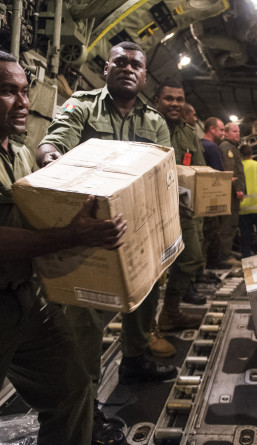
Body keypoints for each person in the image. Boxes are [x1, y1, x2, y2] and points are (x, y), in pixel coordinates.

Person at [36, 41, 178, 443]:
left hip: (138, 226)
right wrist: (52, 163)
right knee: (85, 319)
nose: (128, 68)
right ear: (107, 66)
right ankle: (88, 406)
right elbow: (52, 142)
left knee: (145, 296)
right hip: (90, 229)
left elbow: (162, 169)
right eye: (121, 62)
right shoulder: (82, 106)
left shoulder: (154, 121)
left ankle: (134, 360)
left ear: (144, 75)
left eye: (136, 64)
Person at [0, 50, 127, 445]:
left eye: (25, 90)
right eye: (8, 91)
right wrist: (75, 236)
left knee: (72, 391)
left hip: (27, 300)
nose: (23, 102)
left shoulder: (18, 153)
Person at [153, 80, 206, 332]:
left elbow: (199, 168)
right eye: (169, 98)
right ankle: (145, 329)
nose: (175, 103)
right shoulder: (147, 126)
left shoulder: (188, 133)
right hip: (151, 210)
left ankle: (170, 312)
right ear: (157, 101)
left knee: (192, 258)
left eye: (179, 99)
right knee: (151, 270)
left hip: (183, 209)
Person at [218, 122, 246, 267]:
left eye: (238, 131)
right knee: (228, 223)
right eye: (234, 131)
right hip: (230, 192)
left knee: (232, 223)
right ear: (226, 133)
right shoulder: (227, 148)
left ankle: (227, 252)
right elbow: (231, 172)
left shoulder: (232, 148)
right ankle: (225, 256)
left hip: (232, 192)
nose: (237, 134)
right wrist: (238, 189)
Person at [201, 117, 226, 268]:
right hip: (211, 198)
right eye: (221, 129)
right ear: (212, 129)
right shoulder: (212, 147)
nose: (223, 133)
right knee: (212, 233)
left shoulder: (198, 144)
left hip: (197, 198)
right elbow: (219, 175)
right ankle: (211, 265)